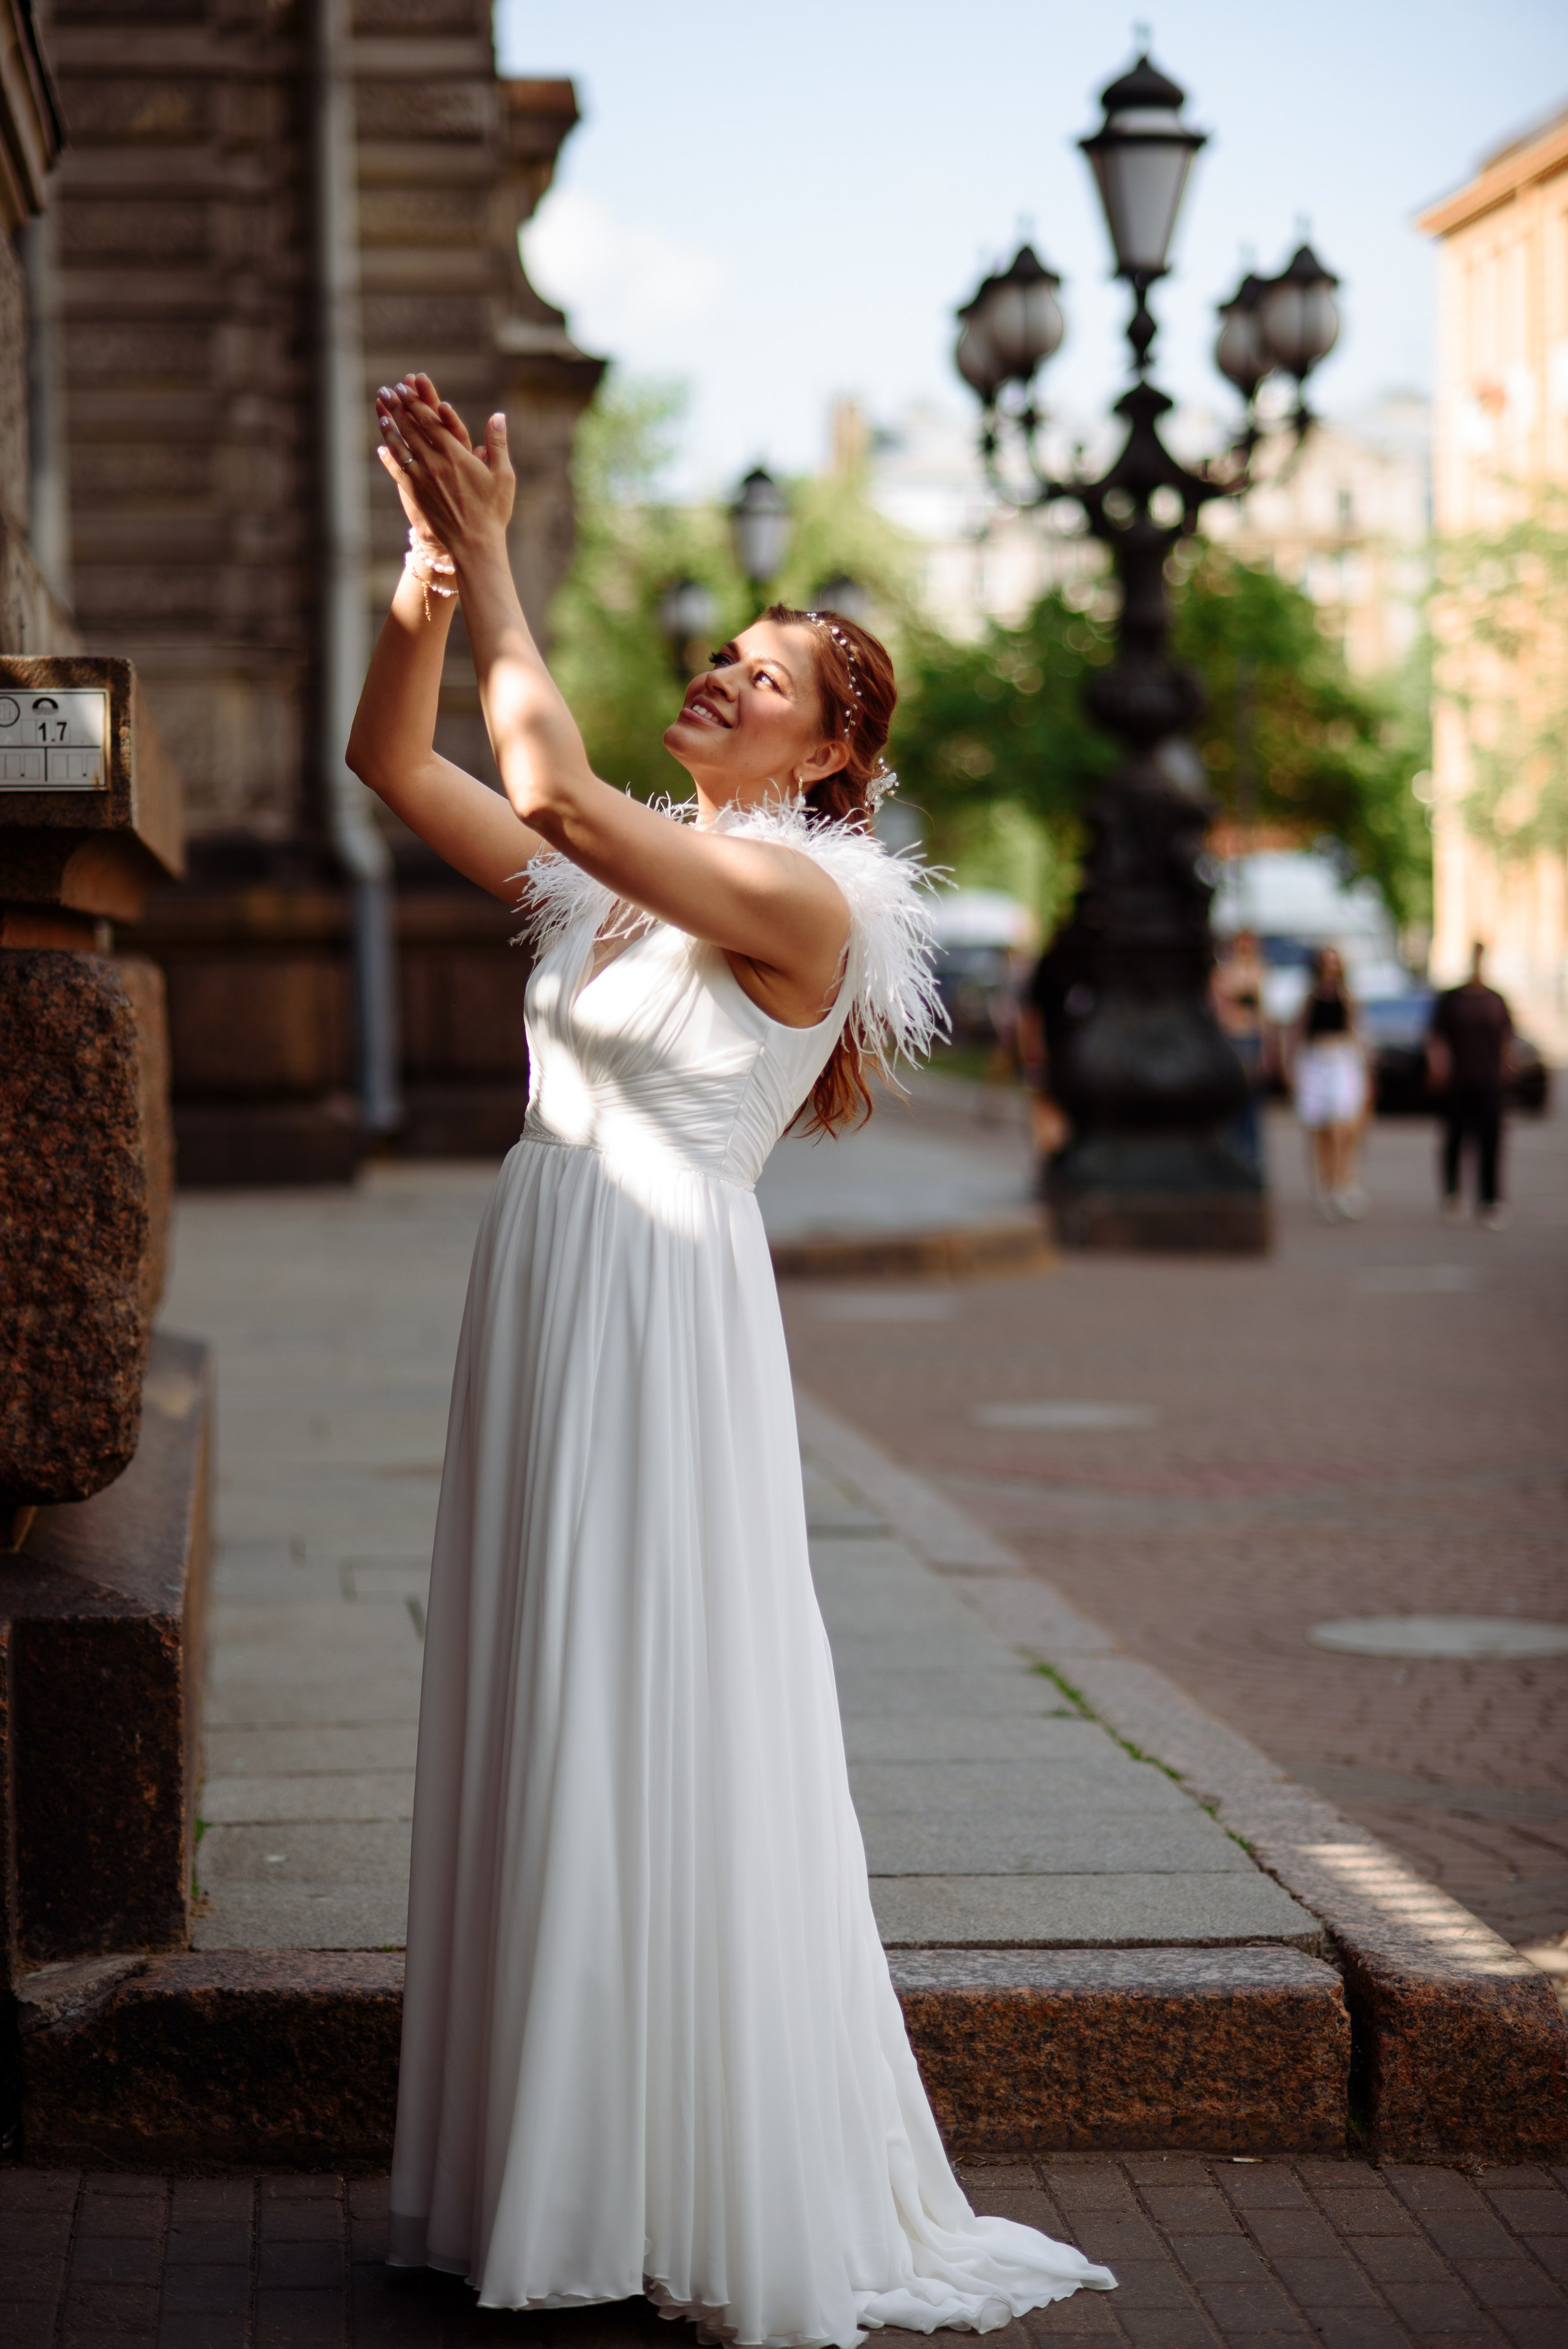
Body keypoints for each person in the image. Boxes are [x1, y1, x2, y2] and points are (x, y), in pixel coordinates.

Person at [347, 375, 1117, 2343]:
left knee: (642, 1699)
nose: (715, 674)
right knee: (545, 1682)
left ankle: (663, 2174)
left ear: (832, 747)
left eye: (758, 672)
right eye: (716, 653)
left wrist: (509, 549)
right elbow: (392, 758)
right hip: (547, 1277)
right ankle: (552, 2159)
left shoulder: (803, 896)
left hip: (657, 1300)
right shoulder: (621, 884)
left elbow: (541, 787)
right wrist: (434, 579)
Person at [1428, 940, 1515, 1229]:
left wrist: (1505, 1066)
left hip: (1488, 1080)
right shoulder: (1452, 998)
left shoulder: (1496, 999)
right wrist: (1438, 1064)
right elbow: (1435, 1036)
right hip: (1458, 1080)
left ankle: (1490, 1199)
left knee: (1491, 1140)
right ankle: (1452, 1192)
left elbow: (1507, 1037)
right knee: (1455, 1138)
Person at [1289, 945, 1368, 1220]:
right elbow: (1298, 1031)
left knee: (1342, 1128)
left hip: (1340, 1060)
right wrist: (1291, 1067)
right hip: (1315, 1061)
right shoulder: (1311, 998)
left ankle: (1342, 1182)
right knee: (1321, 1131)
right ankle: (1325, 1187)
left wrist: (1364, 1068)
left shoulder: (1347, 997)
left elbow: (1356, 1030)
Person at [1212, 929, 1267, 1172]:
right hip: (1231, 1038)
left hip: (1250, 1038)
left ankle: (1251, 1156)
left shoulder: (1258, 970)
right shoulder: (1223, 971)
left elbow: (1263, 1012)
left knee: (1251, 1102)